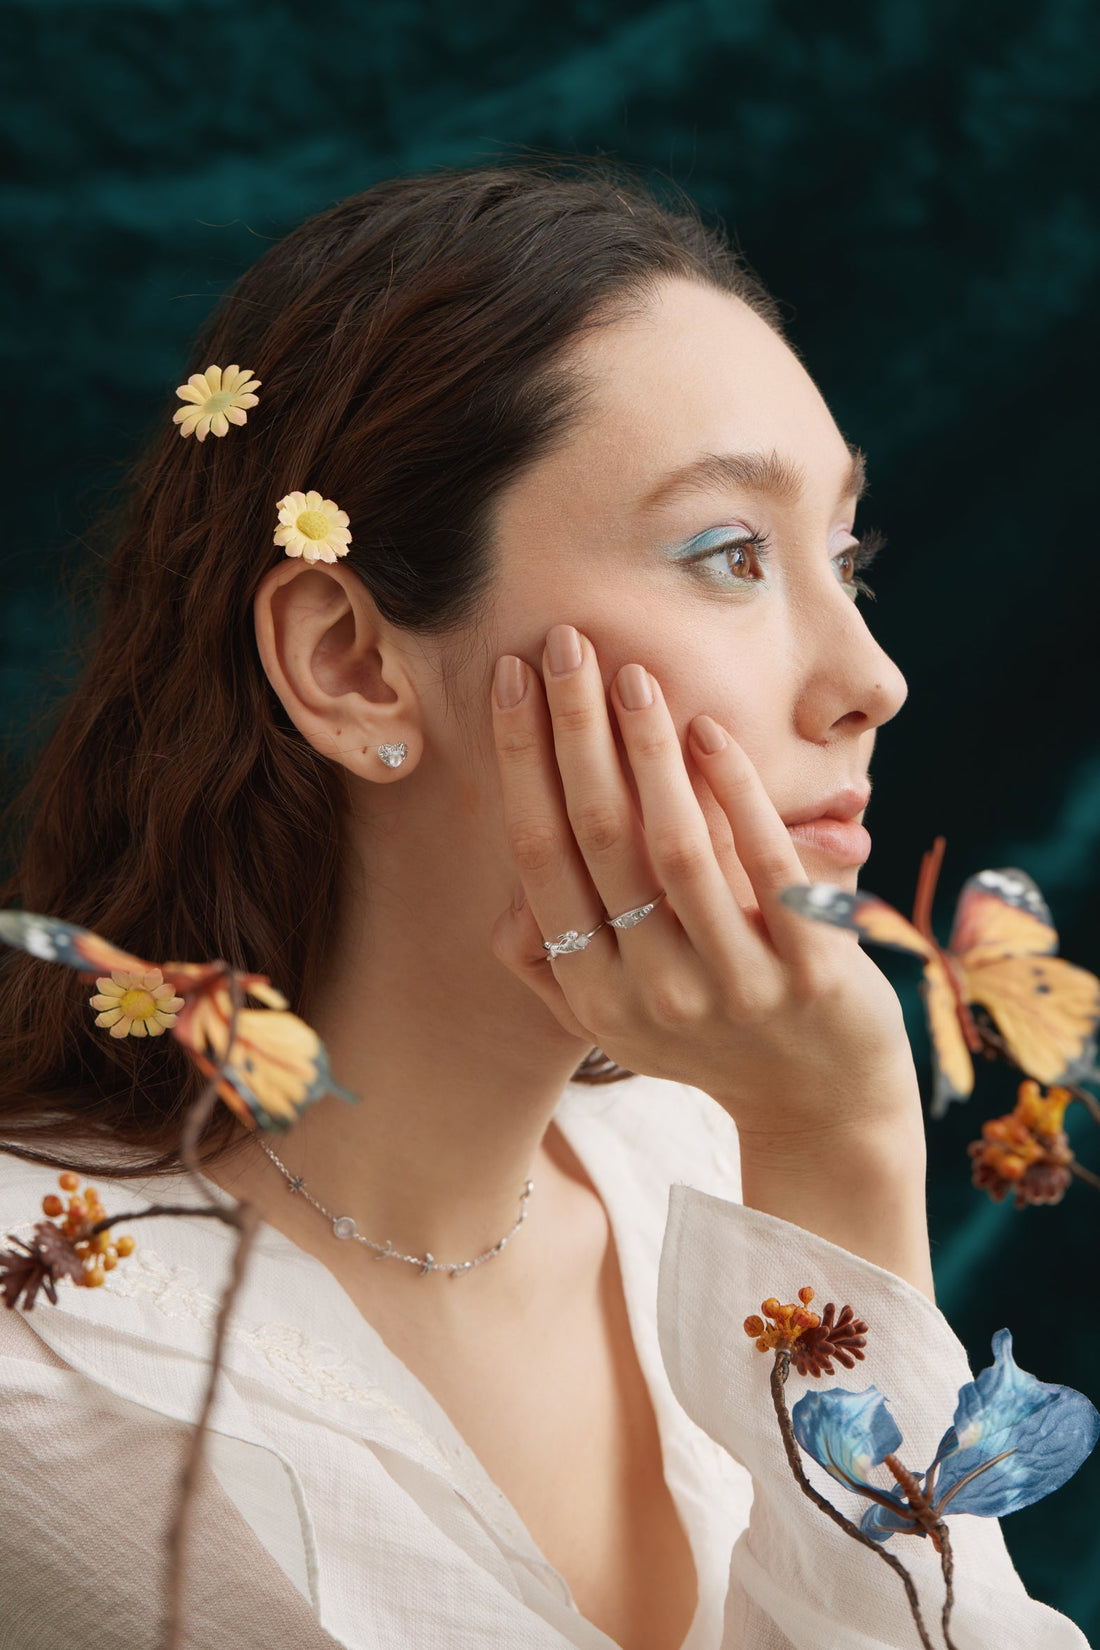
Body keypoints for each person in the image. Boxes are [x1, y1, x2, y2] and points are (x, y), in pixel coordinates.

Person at [0, 158, 1088, 1649]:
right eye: (729, 554)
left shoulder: (691, 1150)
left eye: (849, 560)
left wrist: (823, 1152)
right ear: (351, 661)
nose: (872, 682)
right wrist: (838, 1151)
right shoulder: (55, 1339)